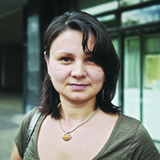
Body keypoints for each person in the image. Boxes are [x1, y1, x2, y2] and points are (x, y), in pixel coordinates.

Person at [10, 10, 160, 160]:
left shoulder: (133, 138)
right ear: (48, 64)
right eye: (66, 59)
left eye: (91, 59)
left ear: (106, 68)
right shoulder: (32, 122)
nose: (78, 72)